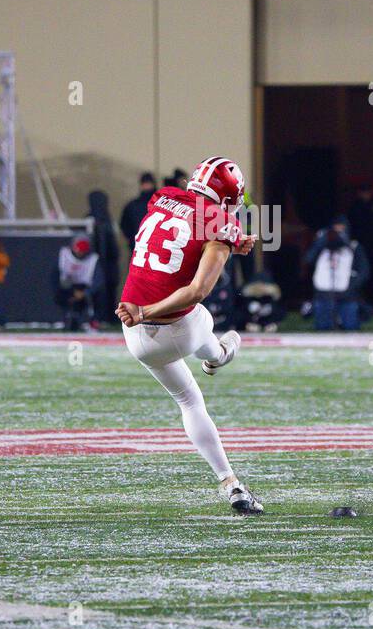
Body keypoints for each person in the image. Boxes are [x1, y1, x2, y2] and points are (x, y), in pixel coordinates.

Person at [115, 156, 263, 515]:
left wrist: (229, 241)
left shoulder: (162, 197)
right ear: (229, 196)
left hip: (134, 334)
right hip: (172, 327)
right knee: (204, 317)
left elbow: (187, 231)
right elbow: (197, 289)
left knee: (190, 401)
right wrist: (227, 239)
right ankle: (217, 355)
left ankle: (230, 483)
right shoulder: (221, 222)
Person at [304, 216, 370, 331]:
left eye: (342, 230)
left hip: (347, 296)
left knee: (350, 327)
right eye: (336, 231)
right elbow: (308, 259)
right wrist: (320, 242)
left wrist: (351, 286)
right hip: (323, 295)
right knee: (323, 328)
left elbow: (364, 271)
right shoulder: (322, 247)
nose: (339, 234)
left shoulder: (354, 247)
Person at [88, 189, 120, 319]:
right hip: (101, 261)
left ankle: (105, 315)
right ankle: (103, 315)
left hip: (106, 261)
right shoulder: (101, 219)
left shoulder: (104, 219)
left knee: (108, 288)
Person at [56, 235, 99, 330]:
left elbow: (98, 281)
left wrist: (85, 293)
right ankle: (65, 318)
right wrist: (71, 291)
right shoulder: (65, 255)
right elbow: (57, 277)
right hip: (68, 287)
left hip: (85, 288)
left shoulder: (92, 259)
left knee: (95, 296)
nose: (80, 253)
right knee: (61, 293)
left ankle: (90, 320)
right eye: (79, 250)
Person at [119, 172, 157, 249]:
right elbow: (124, 224)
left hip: (154, 246)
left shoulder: (160, 204)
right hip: (138, 246)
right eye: (145, 184)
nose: (147, 186)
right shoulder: (132, 205)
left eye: (148, 183)